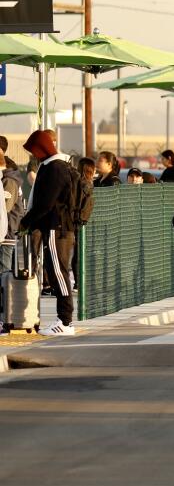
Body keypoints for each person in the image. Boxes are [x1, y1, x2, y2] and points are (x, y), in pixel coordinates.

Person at [20, 130, 78, 336]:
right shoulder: (57, 165)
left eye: (35, 151)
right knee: (56, 273)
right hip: (59, 227)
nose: (34, 155)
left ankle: (65, 321)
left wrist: (26, 221)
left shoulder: (54, 168)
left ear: (42, 149)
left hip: (56, 227)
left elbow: (45, 203)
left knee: (59, 274)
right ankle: (63, 320)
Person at [0, 138, 25, 296]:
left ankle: (5, 309)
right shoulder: (8, 179)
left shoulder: (8, 181)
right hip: (6, 231)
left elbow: (5, 209)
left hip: (7, 232)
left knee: (4, 271)